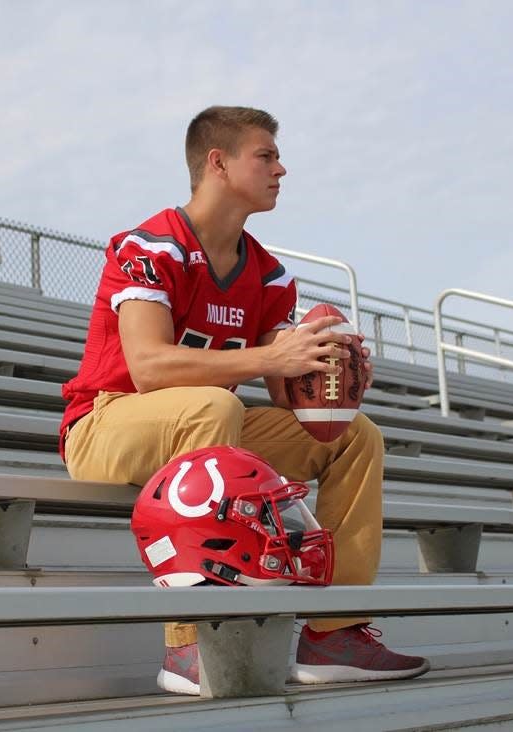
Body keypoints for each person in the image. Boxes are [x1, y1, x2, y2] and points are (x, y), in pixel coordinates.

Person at [59, 105, 428, 695]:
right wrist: (267, 359)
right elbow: (149, 367)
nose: (281, 168)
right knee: (214, 406)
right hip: (106, 424)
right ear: (218, 162)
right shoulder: (149, 246)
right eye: (266, 155)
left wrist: (325, 378)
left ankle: (336, 632)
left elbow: (281, 391)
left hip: (206, 433)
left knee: (357, 436)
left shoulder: (270, 274)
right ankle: (188, 643)